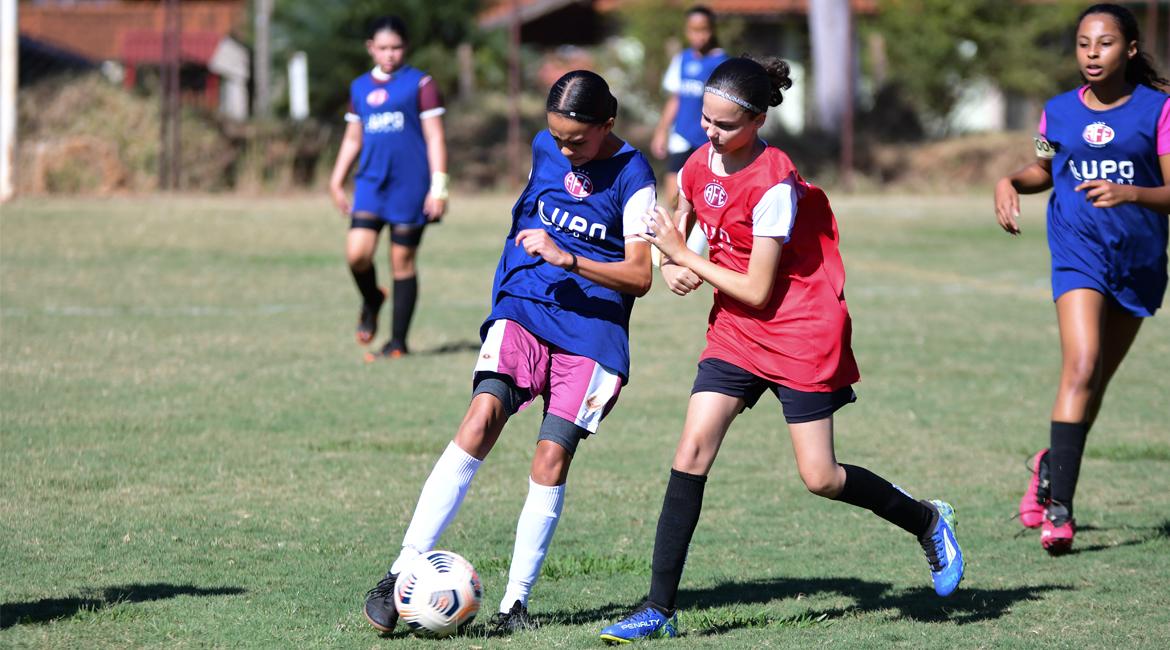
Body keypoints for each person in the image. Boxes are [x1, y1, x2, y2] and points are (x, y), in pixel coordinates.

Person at [599, 56, 964, 644]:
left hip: (798, 327)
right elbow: (682, 226)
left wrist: (688, 259)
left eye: (725, 125)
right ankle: (657, 610)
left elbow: (758, 286)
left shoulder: (774, 183)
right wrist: (672, 262)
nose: (711, 134)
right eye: (705, 120)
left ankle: (926, 519)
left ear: (759, 119)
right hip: (736, 331)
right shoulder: (697, 161)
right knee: (690, 451)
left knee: (819, 477)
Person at [362, 70, 657, 635]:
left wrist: (568, 258)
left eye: (579, 140)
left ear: (608, 125)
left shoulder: (634, 176)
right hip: (527, 305)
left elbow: (641, 275)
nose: (565, 150)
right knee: (479, 419)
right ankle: (400, 572)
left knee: (550, 458)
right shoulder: (545, 147)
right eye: (557, 137)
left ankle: (513, 605)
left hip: (593, 331)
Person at [994, 3, 1169, 554]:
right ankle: (1060, 512)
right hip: (1078, 253)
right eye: (1083, 44)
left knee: (1094, 387)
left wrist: (1131, 193)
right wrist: (1008, 182)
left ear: (1131, 50)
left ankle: (1052, 465)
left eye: (1105, 44)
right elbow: (1043, 167)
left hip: (1139, 260)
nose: (1092, 54)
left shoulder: (1159, 111)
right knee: (1082, 364)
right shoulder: (1056, 112)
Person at [328, 16, 449, 359]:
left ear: (405, 47)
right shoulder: (360, 87)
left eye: (396, 47)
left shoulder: (420, 84)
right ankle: (372, 298)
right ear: (370, 48)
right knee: (357, 254)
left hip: (411, 186)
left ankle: (397, 343)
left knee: (402, 262)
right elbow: (353, 138)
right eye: (382, 48)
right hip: (370, 184)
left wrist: (438, 186)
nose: (389, 54)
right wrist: (336, 180)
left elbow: (435, 136)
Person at [651, 5, 728, 261]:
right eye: (694, 30)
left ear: (712, 30)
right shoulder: (682, 60)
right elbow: (675, 99)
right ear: (687, 31)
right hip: (681, 135)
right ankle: (671, 245)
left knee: (703, 195)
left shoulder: (721, 63)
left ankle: (694, 246)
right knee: (674, 194)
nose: (699, 36)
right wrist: (661, 131)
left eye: (704, 30)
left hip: (708, 138)